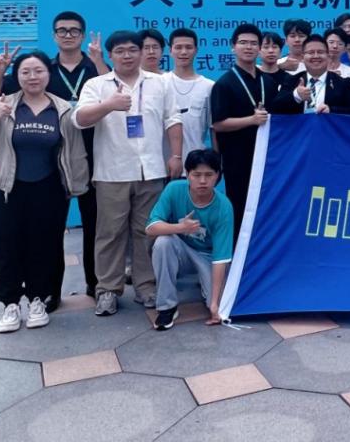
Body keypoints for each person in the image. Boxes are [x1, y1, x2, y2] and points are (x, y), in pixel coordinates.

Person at [0, 11, 108, 302]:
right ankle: (49, 292)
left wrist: (99, 61)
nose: (68, 35)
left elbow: (113, 87)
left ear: (82, 35)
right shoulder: (41, 69)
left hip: (95, 153)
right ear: (54, 35)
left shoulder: (95, 67)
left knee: (95, 225)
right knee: (51, 230)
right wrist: (1, 70)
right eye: (62, 30)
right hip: (54, 161)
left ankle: (96, 284)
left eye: (74, 30)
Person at [0, 51, 89, 333]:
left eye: (38, 71)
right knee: (4, 246)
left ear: (48, 74)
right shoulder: (3, 105)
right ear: (17, 76)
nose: (32, 77)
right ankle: (10, 303)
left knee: (44, 246)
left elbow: (75, 152)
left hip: (48, 190)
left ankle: (38, 299)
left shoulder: (62, 109)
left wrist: (76, 185)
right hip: (5, 189)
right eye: (25, 72)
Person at [73, 30, 183, 316]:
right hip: (112, 172)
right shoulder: (97, 85)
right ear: (110, 56)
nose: (127, 55)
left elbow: (173, 119)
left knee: (147, 231)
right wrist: (109, 105)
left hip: (152, 170)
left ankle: (146, 286)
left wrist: (176, 155)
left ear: (141, 52)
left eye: (133, 50)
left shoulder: (160, 83)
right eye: (120, 51)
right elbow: (80, 119)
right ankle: (108, 289)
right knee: (110, 233)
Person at [146, 149, 234, 330]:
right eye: (196, 175)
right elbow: (150, 228)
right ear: (187, 175)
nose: (202, 181)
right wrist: (181, 228)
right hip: (181, 250)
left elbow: (220, 258)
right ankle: (166, 307)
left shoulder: (224, 207)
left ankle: (206, 289)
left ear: (218, 176)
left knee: (220, 306)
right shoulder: (173, 189)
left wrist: (214, 304)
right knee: (163, 243)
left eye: (209, 175)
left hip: (208, 256)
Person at [210, 24, 269, 242]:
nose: (249, 47)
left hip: (266, 159)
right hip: (237, 160)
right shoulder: (224, 84)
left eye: (254, 43)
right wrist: (251, 120)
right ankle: (238, 257)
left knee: (265, 209)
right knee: (240, 208)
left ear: (260, 48)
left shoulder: (268, 81)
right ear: (233, 47)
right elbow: (218, 124)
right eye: (243, 43)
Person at [270, 34, 350, 116]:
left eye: (320, 52)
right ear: (303, 57)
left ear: (328, 56)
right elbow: (274, 109)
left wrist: (331, 110)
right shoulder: (292, 80)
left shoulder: (343, 83)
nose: (316, 56)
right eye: (311, 52)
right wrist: (296, 95)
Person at [166, 28, 214, 161]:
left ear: (196, 50)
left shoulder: (209, 86)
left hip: (196, 163)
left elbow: (213, 128)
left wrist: (218, 160)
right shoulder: (160, 83)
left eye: (188, 47)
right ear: (170, 51)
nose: (183, 52)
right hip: (163, 162)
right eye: (178, 47)